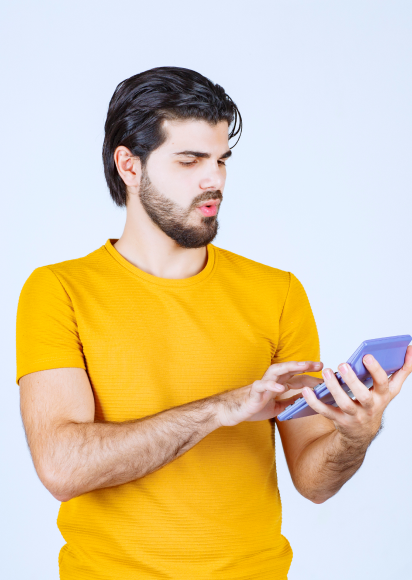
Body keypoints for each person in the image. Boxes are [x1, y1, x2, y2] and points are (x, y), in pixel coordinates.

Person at [16, 66, 412, 580]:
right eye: (190, 160)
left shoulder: (277, 292)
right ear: (129, 166)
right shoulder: (58, 291)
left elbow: (314, 482)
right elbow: (63, 467)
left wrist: (355, 434)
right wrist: (223, 408)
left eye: (221, 159)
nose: (214, 179)